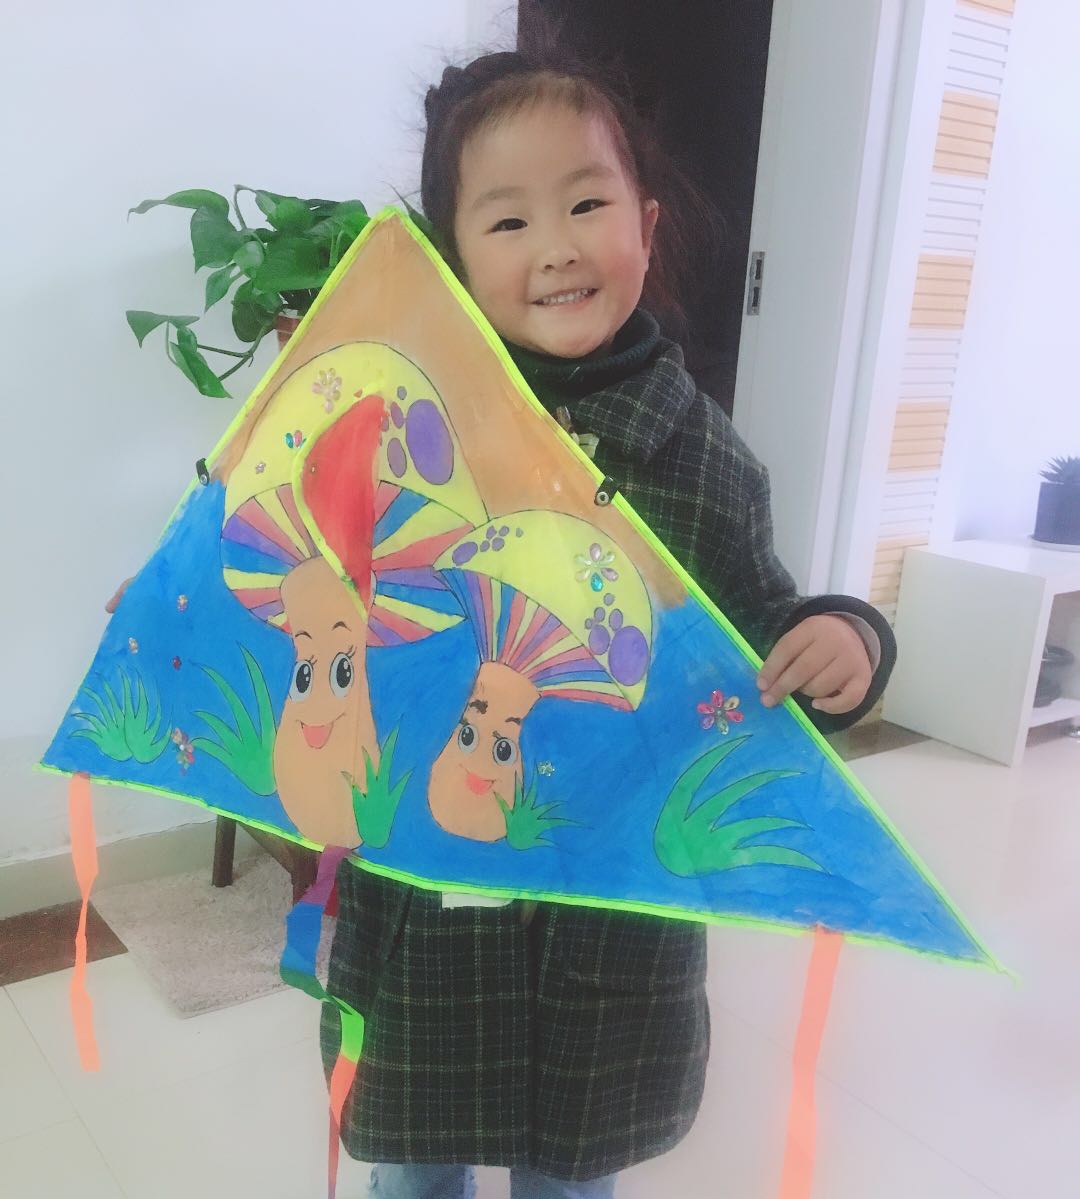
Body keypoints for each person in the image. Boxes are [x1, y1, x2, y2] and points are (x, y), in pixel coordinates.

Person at [319, 48, 897, 1199]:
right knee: (416, 1159)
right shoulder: (403, 435)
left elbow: (761, 627)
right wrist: (211, 606)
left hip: (612, 907)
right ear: (452, 257)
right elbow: (321, 587)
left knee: (573, 1158)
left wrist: (844, 636)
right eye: (508, 220)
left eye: (586, 204)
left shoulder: (705, 458)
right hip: (437, 888)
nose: (556, 247)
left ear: (648, 222)